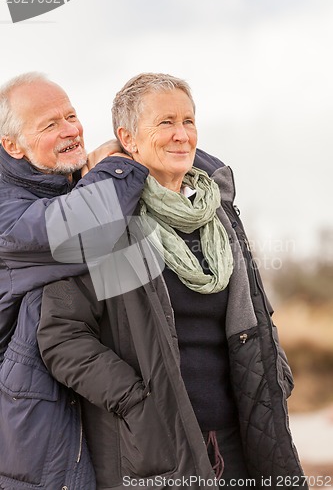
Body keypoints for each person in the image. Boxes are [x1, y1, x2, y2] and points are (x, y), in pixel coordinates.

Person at [38, 73, 307, 490]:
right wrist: (135, 400)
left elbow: (255, 311)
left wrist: (278, 374)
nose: (181, 135)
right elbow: (62, 335)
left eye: (188, 121)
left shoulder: (218, 217)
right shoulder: (108, 224)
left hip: (241, 438)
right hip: (156, 448)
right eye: (165, 123)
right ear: (128, 137)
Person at [0, 72, 150, 489]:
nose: (70, 130)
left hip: (94, 403)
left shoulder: (67, 182)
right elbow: (88, 225)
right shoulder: (7, 214)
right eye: (50, 125)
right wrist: (119, 162)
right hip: (35, 428)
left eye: (71, 115)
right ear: (12, 145)